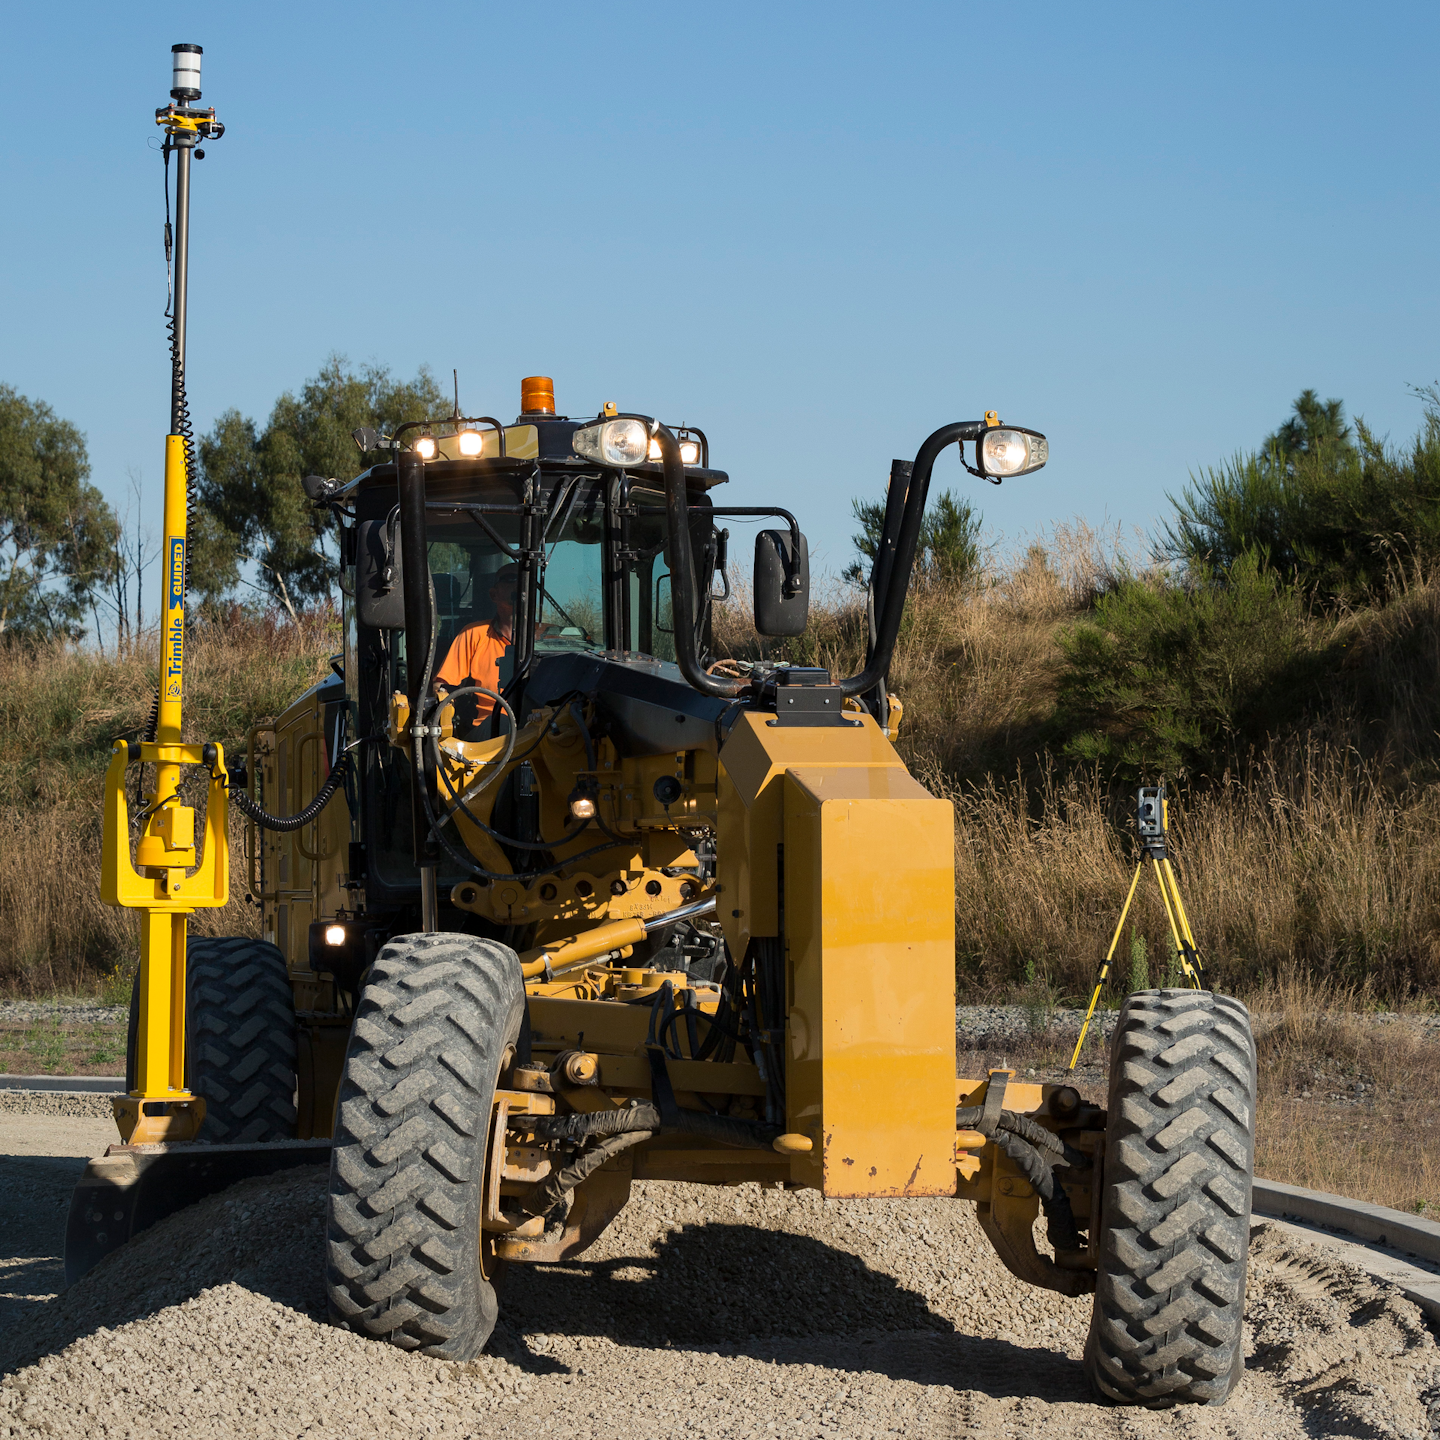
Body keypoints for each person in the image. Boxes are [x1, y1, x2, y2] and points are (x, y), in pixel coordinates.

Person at [433, 563, 521, 728]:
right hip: (488, 729)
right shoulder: (473, 634)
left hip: (541, 729)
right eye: (511, 579)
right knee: (503, 725)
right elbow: (441, 687)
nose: (521, 585)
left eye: (527, 580)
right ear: (493, 594)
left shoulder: (553, 637)